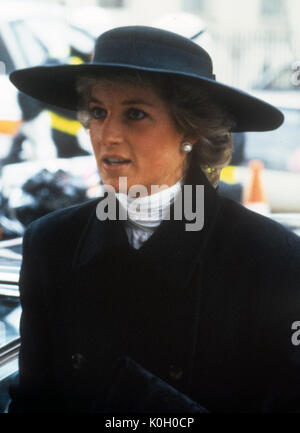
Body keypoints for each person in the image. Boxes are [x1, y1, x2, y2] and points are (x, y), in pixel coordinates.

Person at [8, 26, 300, 413]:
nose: (106, 134)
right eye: (98, 112)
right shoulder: (52, 242)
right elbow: (34, 400)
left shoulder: (269, 256)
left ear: (190, 131)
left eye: (135, 114)